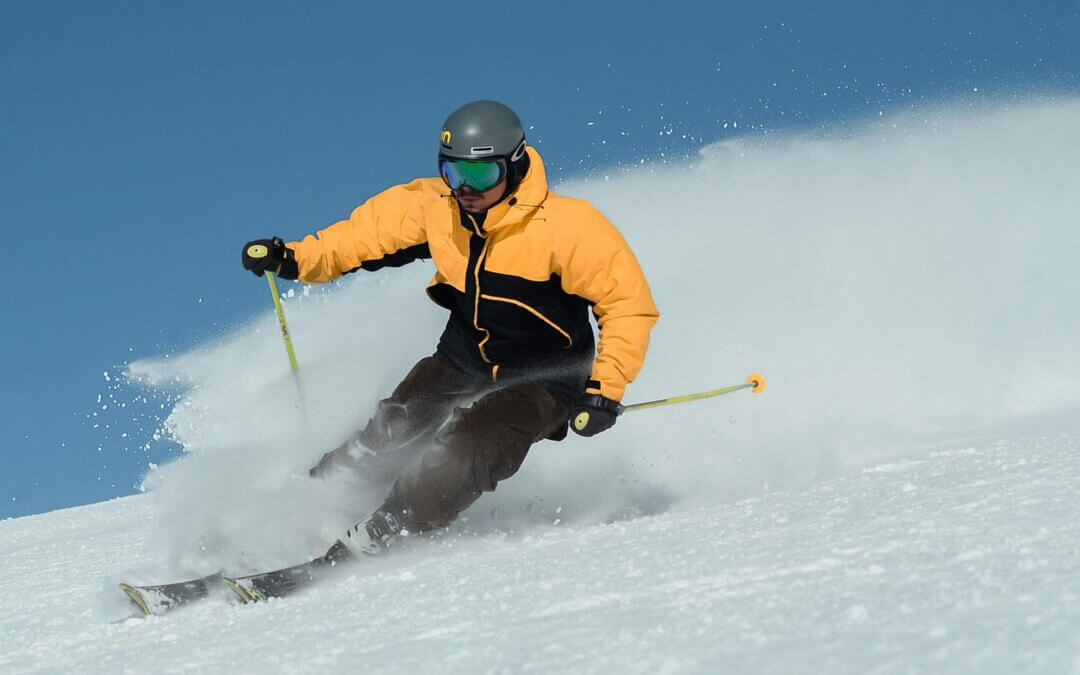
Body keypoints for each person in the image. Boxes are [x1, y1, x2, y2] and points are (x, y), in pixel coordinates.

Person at [242, 100, 658, 558]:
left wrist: (605, 389)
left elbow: (628, 304)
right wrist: (297, 258)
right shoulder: (438, 208)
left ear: (514, 166)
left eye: (479, 176)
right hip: (465, 357)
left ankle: (389, 526)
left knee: (469, 447)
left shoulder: (568, 227)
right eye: (452, 173)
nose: (464, 189)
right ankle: (306, 507)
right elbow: (362, 236)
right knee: (392, 429)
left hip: (546, 377)